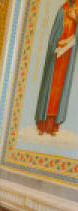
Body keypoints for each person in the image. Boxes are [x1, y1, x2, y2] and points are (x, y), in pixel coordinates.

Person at [35, 0, 78, 135]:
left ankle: (53, 126)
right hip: (57, 54)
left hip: (68, 57)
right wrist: (55, 46)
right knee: (49, 87)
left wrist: (75, 19)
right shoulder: (62, 9)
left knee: (60, 91)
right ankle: (42, 125)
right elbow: (54, 34)